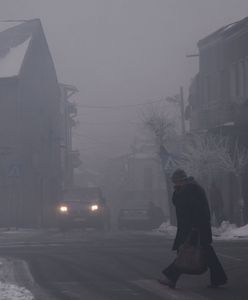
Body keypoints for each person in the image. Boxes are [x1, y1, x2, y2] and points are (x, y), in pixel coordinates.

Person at [158, 169, 227, 289]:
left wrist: (195, 229)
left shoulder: (191, 190)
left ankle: (171, 278)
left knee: (185, 253)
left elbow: (197, 211)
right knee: (205, 253)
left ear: (181, 180)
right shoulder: (187, 190)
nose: (175, 185)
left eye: (176, 182)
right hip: (195, 228)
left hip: (195, 229)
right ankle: (219, 278)